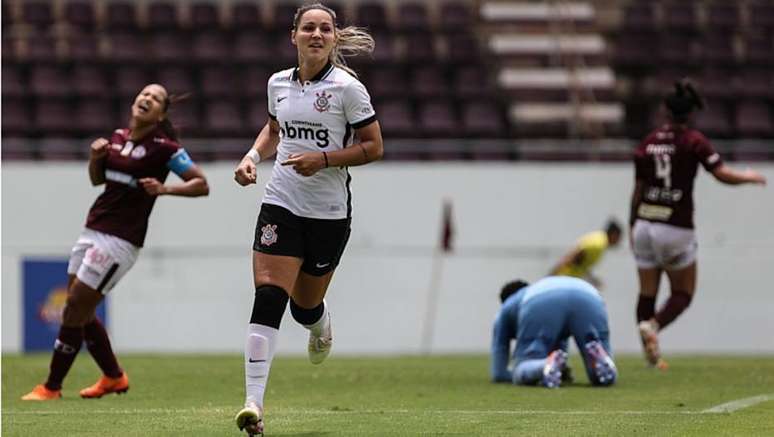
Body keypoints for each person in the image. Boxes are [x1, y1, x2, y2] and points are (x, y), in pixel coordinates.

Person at [232, 4, 383, 435]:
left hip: (328, 214)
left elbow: (374, 147)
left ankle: (320, 325)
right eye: (308, 27)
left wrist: (324, 159)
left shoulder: (347, 89)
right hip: (281, 202)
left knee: (303, 306)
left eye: (325, 28)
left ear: (334, 37)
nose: (316, 34)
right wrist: (250, 157)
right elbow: (274, 129)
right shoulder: (277, 83)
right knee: (268, 296)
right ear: (293, 35)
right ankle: (253, 405)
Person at [21, 84, 210, 401]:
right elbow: (98, 180)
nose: (147, 98)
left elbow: (201, 184)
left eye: (156, 98)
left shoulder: (166, 148)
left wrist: (166, 190)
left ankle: (52, 386)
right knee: (80, 307)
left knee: (76, 304)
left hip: (121, 239)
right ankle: (113, 377)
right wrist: (96, 157)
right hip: (92, 227)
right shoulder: (118, 137)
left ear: (161, 113)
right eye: (144, 94)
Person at [630, 80, 766, 368]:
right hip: (675, 226)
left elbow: (638, 189)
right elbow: (721, 173)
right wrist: (749, 177)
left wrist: (633, 225)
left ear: (666, 111)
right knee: (682, 293)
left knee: (647, 292)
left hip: (644, 223)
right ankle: (653, 327)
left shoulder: (648, 142)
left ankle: (651, 352)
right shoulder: (693, 141)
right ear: (691, 114)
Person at [490, 277, 617, 388]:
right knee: (600, 374)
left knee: (522, 366)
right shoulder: (538, 286)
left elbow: (499, 372)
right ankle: (600, 357)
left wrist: (515, 373)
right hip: (590, 295)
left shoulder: (507, 307)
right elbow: (560, 345)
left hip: (540, 300)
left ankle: (543, 365)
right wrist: (560, 367)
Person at [549, 219, 622, 289]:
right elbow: (573, 256)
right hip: (564, 280)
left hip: (567, 281)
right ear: (614, 234)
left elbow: (582, 265)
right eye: (618, 238)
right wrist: (552, 274)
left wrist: (592, 279)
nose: (618, 241)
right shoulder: (598, 244)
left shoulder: (598, 238)